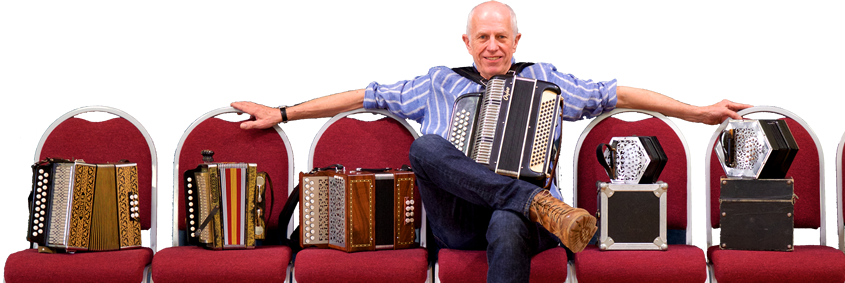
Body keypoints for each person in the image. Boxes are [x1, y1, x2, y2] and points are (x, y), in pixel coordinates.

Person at [232, 1, 750, 282]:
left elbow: (615, 92)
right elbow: (363, 97)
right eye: (483, 37)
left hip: (524, 227)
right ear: (467, 42)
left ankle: (525, 203)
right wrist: (281, 111)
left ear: (517, 41)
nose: (493, 45)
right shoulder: (436, 82)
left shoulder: (544, 78)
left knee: (508, 220)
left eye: (502, 36)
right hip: (461, 220)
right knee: (424, 150)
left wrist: (696, 112)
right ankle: (532, 200)